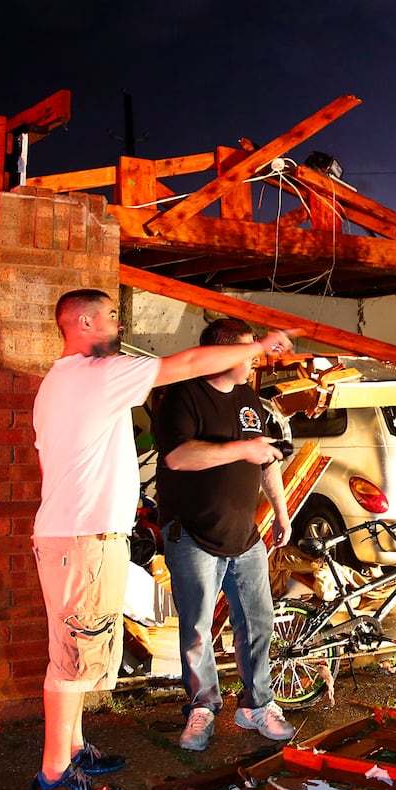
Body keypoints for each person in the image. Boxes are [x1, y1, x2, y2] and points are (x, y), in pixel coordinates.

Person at [29, 288, 296, 790]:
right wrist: (260, 345)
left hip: (78, 535)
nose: (118, 325)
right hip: (83, 539)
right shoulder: (96, 373)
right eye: (110, 316)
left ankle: (76, 746)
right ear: (83, 323)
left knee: (78, 652)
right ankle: (55, 775)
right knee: (71, 659)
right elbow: (190, 362)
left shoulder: (62, 383)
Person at [154, 317, 297, 751]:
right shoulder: (181, 396)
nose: (254, 358)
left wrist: (280, 511)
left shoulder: (249, 396)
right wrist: (241, 449)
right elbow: (178, 458)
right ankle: (202, 707)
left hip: (245, 535)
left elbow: (266, 459)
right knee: (197, 629)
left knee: (257, 623)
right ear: (222, 351)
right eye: (247, 350)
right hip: (193, 533)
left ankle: (257, 704)